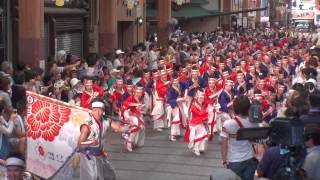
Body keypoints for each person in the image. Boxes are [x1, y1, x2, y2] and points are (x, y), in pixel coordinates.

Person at [78, 98, 124, 180]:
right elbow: (80, 144)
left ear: (103, 111)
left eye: (100, 110)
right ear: (92, 111)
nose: (98, 113)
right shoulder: (87, 125)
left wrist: (129, 126)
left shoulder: (106, 120)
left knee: (109, 175)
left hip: (99, 152)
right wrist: (90, 142)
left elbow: (118, 128)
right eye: (95, 110)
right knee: (92, 177)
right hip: (87, 154)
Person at [220, 95, 258, 180]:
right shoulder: (253, 122)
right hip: (250, 158)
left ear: (234, 108)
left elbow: (224, 145)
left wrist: (224, 161)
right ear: (248, 108)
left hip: (234, 160)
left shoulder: (227, 124)